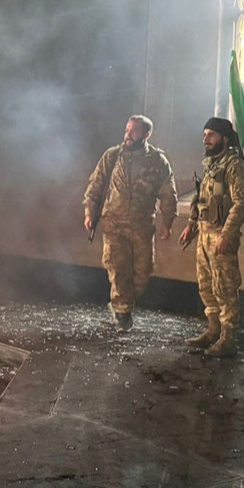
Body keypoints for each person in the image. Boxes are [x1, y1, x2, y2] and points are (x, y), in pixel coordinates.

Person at [83, 114, 178, 330]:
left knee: (143, 271)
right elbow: (96, 184)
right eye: (127, 129)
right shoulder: (112, 156)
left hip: (142, 225)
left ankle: (125, 302)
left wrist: (168, 221)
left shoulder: (157, 161)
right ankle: (122, 312)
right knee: (118, 268)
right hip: (113, 223)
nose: (128, 134)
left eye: (134, 130)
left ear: (147, 134)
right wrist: (90, 212)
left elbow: (167, 192)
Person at [178, 116, 244, 358]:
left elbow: (242, 202)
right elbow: (201, 197)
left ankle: (228, 339)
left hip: (221, 235)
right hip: (204, 233)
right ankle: (213, 330)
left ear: (223, 137)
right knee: (206, 285)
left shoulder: (234, 166)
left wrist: (227, 234)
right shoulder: (211, 165)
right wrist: (192, 224)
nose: (206, 140)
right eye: (204, 135)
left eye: (211, 135)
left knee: (225, 287)